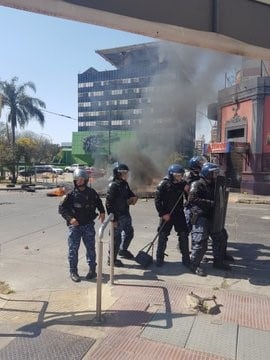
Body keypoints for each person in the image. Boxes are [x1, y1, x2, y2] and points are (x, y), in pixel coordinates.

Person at [59, 168, 105, 282]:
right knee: (73, 250)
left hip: (88, 225)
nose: (78, 181)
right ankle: (73, 271)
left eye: (80, 179)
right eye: (76, 179)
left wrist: (102, 212)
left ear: (85, 180)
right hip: (75, 227)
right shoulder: (70, 194)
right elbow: (62, 209)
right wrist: (70, 219)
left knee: (90, 249)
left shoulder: (91, 192)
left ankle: (92, 270)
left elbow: (98, 202)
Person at [187, 162, 231, 276]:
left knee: (220, 238)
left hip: (213, 217)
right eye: (213, 173)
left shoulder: (215, 184)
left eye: (216, 173)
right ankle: (194, 265)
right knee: (201, 243)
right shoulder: (197, 184)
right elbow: (192, 199)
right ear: (207, 173)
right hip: (201, 216)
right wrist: (211, 203)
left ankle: (218, 262)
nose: (216, 175)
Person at [154, 164, 190, 267]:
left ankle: (186, 259)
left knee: (184, 234)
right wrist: (162, 214)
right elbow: (157, 201)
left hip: (179, 214)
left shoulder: (183, 184)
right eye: (177, 175)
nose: (179, 177)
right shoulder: (163, 184)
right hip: (166, 214)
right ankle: (159, 258)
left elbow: (188, 199)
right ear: (171, 175)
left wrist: (187, 191)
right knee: (163, 235)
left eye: (181, 175)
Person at [105, 163, 138, 267]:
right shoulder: (113, 185)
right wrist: (113, 219)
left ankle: (123, 250)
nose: (126, 175)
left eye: (126, 173)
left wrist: (134, 197)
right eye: (123, 173)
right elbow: (108, 203)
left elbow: (130, 194)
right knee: (116, 239)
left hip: (125, 214)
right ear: (117, 173)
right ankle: (111, 260)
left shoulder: (125, 184)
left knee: (129, 233)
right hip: (117, 217)